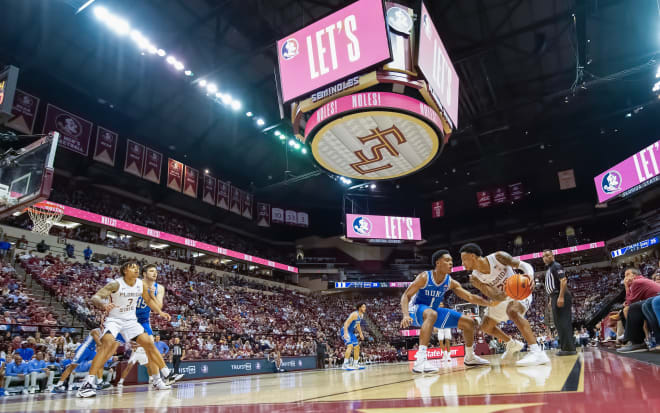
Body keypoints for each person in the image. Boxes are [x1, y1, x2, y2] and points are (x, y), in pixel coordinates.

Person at [76, 260, 173, 398]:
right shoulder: (116, 284)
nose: (136, 269)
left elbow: (149, 301)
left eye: (137, 268)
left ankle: (164, 376)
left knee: (149, 343)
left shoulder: (140, 284)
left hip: (130, 321)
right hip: (114, 320)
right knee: (107, 346)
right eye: (132, 267)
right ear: (125, 271)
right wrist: (103, 305)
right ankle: (88, 383)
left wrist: (160, 312)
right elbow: (95, 297)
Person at [401, 249, 496, 373]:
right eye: (447, 260)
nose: (451, 263)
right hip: (416, 310)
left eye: (451, 261)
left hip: (433, 313)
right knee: (431, 313)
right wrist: (405, 315)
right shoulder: (425, 277)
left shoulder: (449, 282)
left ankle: (470, 356)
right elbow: (406, 296)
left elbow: (470, 297)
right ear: (438, 263)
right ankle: (420, 361)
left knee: (469, 323)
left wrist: (490, 303)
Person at [460, 243, 550, 366]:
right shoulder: (475, 278)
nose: (462, 264)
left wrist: (529, 276)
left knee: (512, 311)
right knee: (486, 327)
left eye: (463, 260)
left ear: (472, 256)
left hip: (520, 291)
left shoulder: (498, 257)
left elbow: (523, 265)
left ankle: (537, 352)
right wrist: (499, 296)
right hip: (504, 297)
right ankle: (511, 343)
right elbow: (495, 295)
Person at [117, 264, 182, 386]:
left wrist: (152, 295)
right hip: (129, 318)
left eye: (156, 271)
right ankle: (94, 380)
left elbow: (159, 306)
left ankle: (158, 380)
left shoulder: (159, 288)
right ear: (144, 274)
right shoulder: (136, 283)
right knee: (109, 347)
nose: (155, 273)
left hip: (144, 320)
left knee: (151, 347)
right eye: (151, 271)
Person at [542, 249, 576, 355]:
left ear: (552, 256)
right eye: (543, 256)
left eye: (547, 255)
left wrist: (560, 297)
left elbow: (563, 280)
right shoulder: (549, 268)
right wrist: (552, 299)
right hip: (555, 296)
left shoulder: (556, 266)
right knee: (559, 323)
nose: (545, 257)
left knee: (564, 322)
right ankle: (565, 347)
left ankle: (569, 349)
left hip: (561, 295)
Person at [340, 303, 366, 370]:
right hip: (345, 330)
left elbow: (358, 324)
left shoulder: (361, 315)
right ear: (359, 308)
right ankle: (345, 364)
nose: (365, 308)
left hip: (351, 332)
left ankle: (355, 364)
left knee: (357, 347)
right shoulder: (354, 314)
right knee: (350, 346)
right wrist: (345, 333)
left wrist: (361, 333)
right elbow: (346, 323)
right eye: (363, 307)